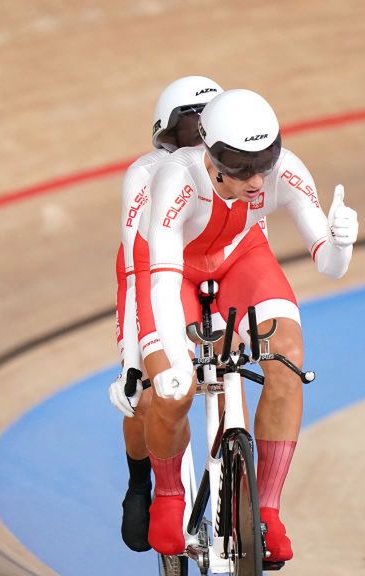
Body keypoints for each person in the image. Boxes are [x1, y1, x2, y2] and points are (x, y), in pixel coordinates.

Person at [140, 89, 359, 561]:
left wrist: (341, 242)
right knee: (172, 391)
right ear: (210, 155)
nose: (258, 179)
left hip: (241, 259)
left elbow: (330, 264)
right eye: (241, 167)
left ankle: (268, 510)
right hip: (175, 269)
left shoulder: (287, 171)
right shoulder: (177, 180)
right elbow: (161, 275)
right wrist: (177, 360)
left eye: (266, 161)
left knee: (288, 358)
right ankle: (168, 493)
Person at [107, 75, 224, 552]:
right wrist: (134, 362)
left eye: (207, 128)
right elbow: (139, 262)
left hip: (207, 269)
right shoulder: (147, 172)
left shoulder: (231, 170)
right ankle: (140, 483)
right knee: (150, 396)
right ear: (167, 136)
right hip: (150, 268)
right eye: (188, 130)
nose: (198, 140)